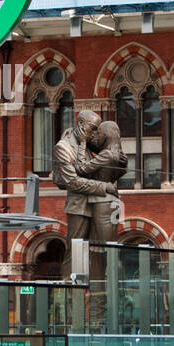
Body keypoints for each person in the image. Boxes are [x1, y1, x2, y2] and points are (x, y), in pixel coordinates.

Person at [52, 109, 118, 278]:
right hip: (79, 207)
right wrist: (105, 187)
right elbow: (72, 182)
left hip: (97, 204)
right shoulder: (63, 147)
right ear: (80, 124)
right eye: (93, 128)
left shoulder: (86, 143)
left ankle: (99, 296)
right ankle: (72, 295)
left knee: (98, 253)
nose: (96, 133)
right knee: (75, 252)